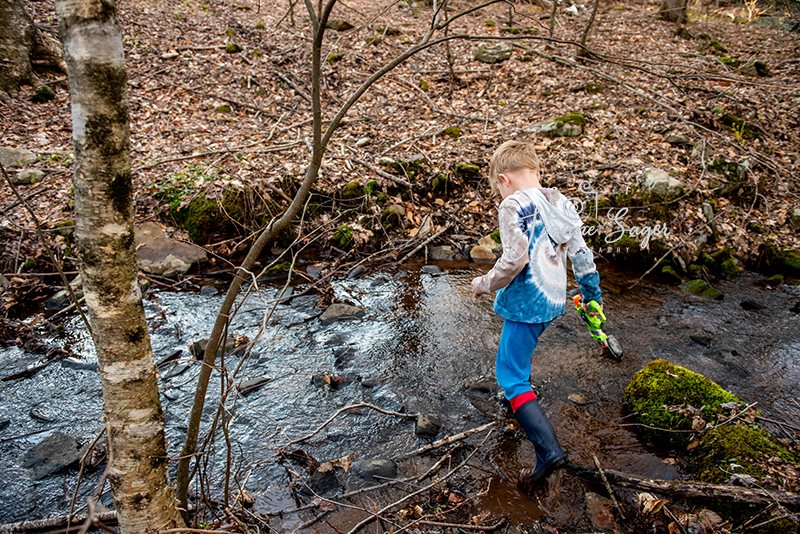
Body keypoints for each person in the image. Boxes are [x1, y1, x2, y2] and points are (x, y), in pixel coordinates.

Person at [471, 140, 603, 490]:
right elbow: (583, 257)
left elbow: (514, 261)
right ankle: (518, 405)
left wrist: (484, 283)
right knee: (518, 359)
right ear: (537, 173)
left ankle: (549, 451)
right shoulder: (561, 202)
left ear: (504, 179)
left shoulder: (513, 204)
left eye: (498, 187)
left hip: (526, 302)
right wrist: (593, 297)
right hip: (552, 302)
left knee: (510, 374)